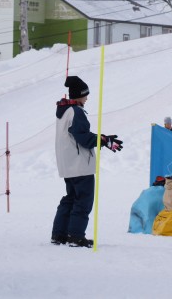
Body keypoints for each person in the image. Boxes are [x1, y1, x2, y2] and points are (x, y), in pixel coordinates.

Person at [52, 76, 123, 248]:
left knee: (70, 198)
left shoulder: (64, 112)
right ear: (79, 95)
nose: (87, 98)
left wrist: (102, 139)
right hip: (80, 165)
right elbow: (82, 137)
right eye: (85, 95)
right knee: (83, 200)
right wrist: (104, 140)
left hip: (68, 165)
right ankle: (76, 237)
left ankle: (59, 234)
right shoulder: (76, 112)